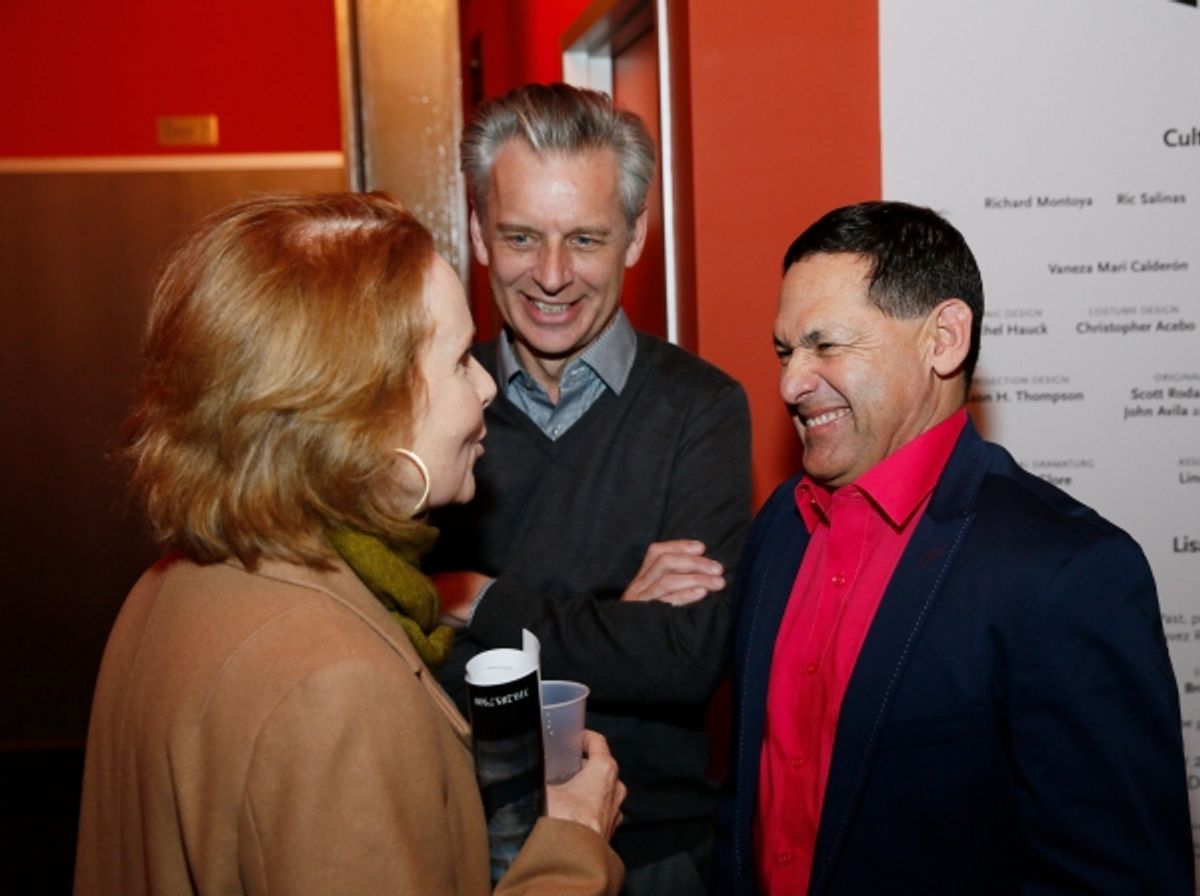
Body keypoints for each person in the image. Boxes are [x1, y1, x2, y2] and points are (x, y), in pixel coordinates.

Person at [74, 191, 626, 895]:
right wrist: (572, 845)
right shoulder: (334, 685)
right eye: (460, 361)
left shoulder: (171, 585)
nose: (487, 386)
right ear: (366, 411)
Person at [712, 200, 1192, 894]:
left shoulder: (1067, 572)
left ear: (942, 340)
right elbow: (747, 804)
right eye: (786, 352)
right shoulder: (781, 528)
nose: (790, 383)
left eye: (827, 344)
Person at [427, 83, 752, 892]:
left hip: (656, 852)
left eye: (585, 239)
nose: (551, 275)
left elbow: (684, 661)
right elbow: (409, 651)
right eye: (520, 236)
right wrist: (618, 618)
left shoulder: (702, 408)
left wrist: (480, 598)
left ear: (635, 236)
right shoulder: (431, 414)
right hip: (462, 845)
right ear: (477, 232)